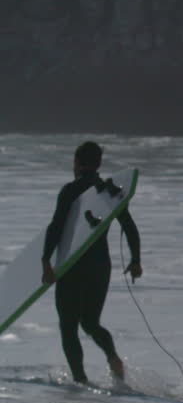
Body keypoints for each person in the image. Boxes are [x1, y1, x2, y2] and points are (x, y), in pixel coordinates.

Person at [41, 141, 143, 384]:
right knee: (90, 322)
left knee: (68, 326)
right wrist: (136, 259)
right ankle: (113, 357)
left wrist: (46, 260)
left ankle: (80, 380)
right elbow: (129, 227)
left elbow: (56, 227)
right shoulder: (109, 191)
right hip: (100, 266)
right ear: (98, 163)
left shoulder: (70, 190)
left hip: (74, 266)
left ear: (76, 162)